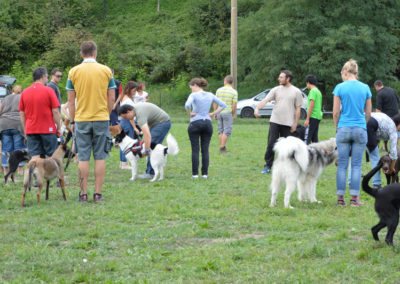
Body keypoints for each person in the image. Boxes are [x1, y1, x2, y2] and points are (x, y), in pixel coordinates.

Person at [66, 40, 116, 203]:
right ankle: (98, 194)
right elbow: (112, 97)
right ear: (95, 53)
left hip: (81, 119)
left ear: (81, 54)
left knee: (83, 157)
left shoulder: (73, 72)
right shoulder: (106, 71)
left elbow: (71, 100)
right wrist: (107, 114)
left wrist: (72, 121)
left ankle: (83, 194)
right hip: (101, 118)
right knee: (100, 156)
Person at [333, 59, 372, 207]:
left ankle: (340, 198)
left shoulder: (339, 88)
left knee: (342, 164)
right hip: (360, 128)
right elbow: (368, 112)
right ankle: (355, 199)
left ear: (345, 72)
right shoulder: (365, 88)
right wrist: (363, 124)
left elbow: (336, 112)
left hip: (343, 128)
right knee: (356, 165)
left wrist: (337, 127)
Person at [254, 70, 303, 174]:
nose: (279, 79)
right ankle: (268, 166)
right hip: (275, 121)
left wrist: (295, 123)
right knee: (271, 144)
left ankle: (289, 167)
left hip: (288, 123)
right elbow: (265, 100)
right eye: (279, 77)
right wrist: (257, 109)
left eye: (281, 77)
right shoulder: (276, 89)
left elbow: (298, 109)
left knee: (288, 147)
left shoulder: (296, 91)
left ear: (288, 79)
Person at [184, 78, 226, 179]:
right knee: (205, 150)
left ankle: (194, 174)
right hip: (207, 123)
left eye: (191, 87)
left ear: (195, 85)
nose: (191, 89)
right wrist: (213, 113)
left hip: (195, 123)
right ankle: (204, 174)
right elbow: (223, 105)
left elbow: (187, 105)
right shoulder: (210, 95)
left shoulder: (193, 95)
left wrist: (190, 114)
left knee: (195, 149)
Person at [118, 102, 171, 179]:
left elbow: (147, 136)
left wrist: (146, 151)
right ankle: (156, 169)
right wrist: (135, 128)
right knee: (151, 145)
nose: (126, 119)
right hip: (156, 123)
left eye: (125, 117)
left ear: (128, 112)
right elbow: (131, 118)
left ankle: (150, 173)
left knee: (150, 146)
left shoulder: (140, 116)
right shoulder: (134, 109)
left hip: (162, 123)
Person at [19, 67, 61, 159]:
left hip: (31, 128)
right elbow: (56, 111)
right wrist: (59, 127)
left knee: (35, 156)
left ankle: (36, 173)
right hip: (47, 128)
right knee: (51, 156)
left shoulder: (24, 92)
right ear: (43, 77)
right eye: (47, 76)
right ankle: (50, 173)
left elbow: (22, 113)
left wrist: (25, 128)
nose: (47, 78)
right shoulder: (49, 90)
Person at [0, 85, 26, 175]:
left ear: (12, 90)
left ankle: (6, 170)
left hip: (4, 124)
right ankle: (20, 170)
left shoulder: (5, 98)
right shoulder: (22, 97)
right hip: (17, 124)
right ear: (21, 91)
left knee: (6, 149)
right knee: (19, 148)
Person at [213, 75, 238, 153]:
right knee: (226, 131)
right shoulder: (234, 92)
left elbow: (215, 102)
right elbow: (234, 105)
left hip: (219, 112)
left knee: (220, 131)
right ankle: (222, 148)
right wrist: (233, 114)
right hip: (227, 113)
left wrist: (215, 112)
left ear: (225, 81)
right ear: (232, 83)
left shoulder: (218, 90)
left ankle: (222, 147)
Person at [374, 80, 399, 151]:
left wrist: (376, 117)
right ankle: (395, 147)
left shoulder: (380, 94)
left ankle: (384, 147)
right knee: (395, 131)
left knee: (383, 131)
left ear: (376, 86)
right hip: (396, 115)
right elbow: (398, 100)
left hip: (387, 116)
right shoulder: (392, 90)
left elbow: (378, 108)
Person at [119, 81, 139, 169]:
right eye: (134, 90)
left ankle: (122, 162)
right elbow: (129, 116)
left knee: (124, 142)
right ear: (129, 89)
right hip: (128, 122)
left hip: (124, 122)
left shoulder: (124, 97)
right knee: (127, 143)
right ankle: (124, 163)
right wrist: (134, 127)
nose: (135, 92)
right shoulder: (127, 100)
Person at [304, 75, 323, 144]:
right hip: (318, 116)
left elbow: (311, 105)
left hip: (313, 116)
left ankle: (305, 152)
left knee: (308, 136)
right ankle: (318, 153)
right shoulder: (318, 91)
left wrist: (307, 119)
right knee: (314, 137)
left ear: (308, 82)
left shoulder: (312, 91)